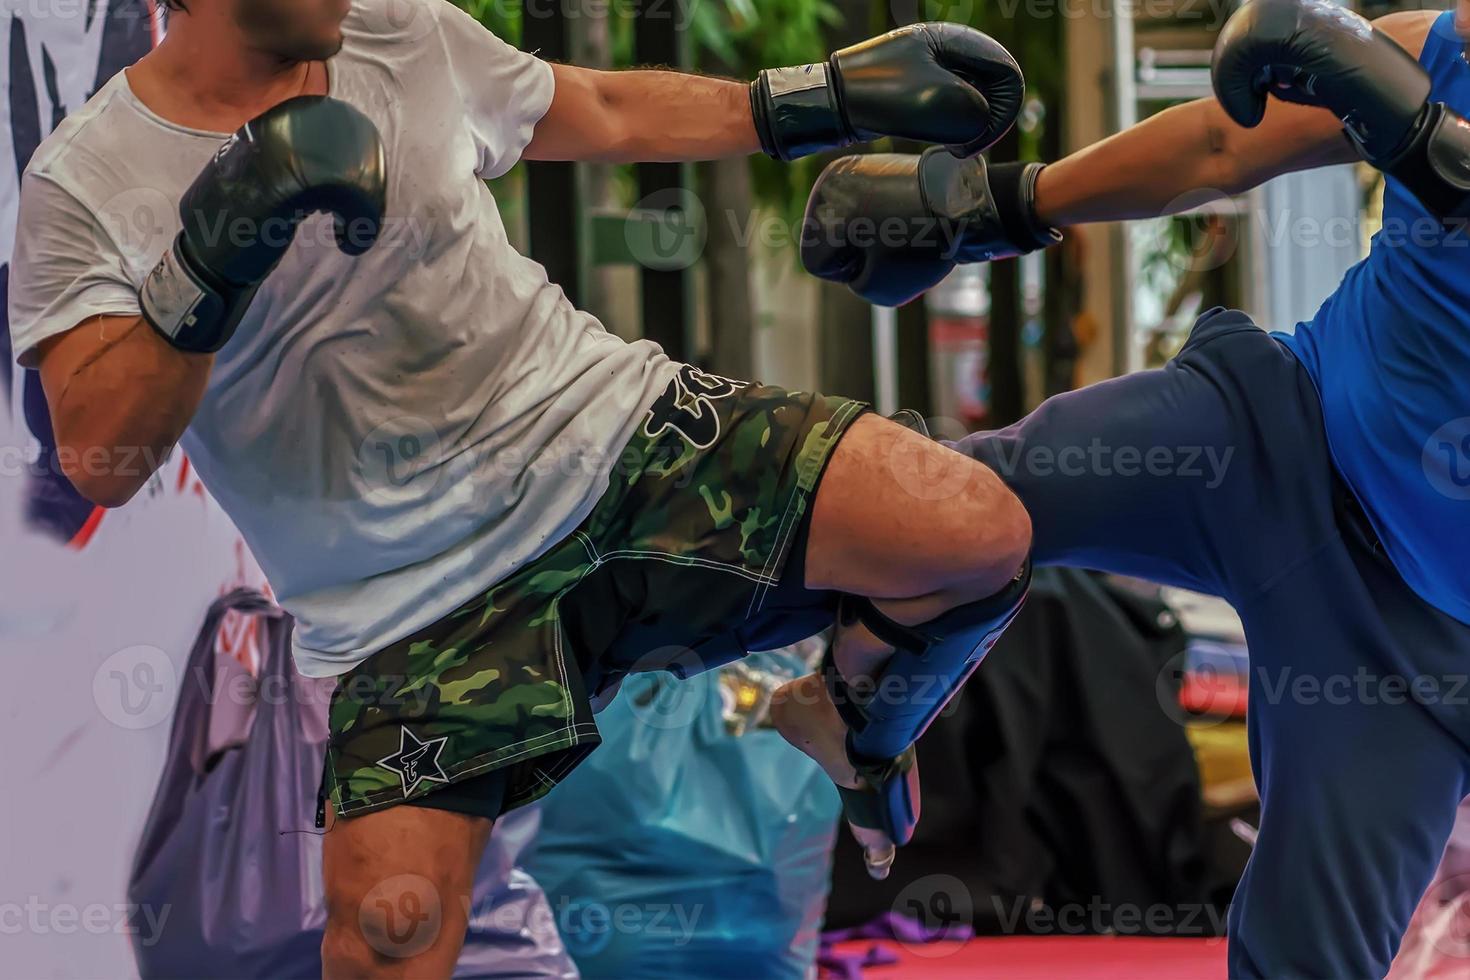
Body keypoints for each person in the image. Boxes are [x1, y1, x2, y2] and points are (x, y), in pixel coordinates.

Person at [7, 0, 1037, 973]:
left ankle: (856, 724)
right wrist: (210, 257)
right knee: (385, 938)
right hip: (407, 608)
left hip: (613, 438)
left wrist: (815, 99)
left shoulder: (400, 33)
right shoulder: (89, 180)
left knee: (972, 529)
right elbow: (101, 455)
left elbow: (599, 108)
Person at [801, 1, 1470, 976]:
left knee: (1305, 960)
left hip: (1412, 643)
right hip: (1271, 436)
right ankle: (861, 716)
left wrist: (1430, 142)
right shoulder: (1445, 43)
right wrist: (1000, 205)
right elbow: (1217, 145)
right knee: (931, 504)